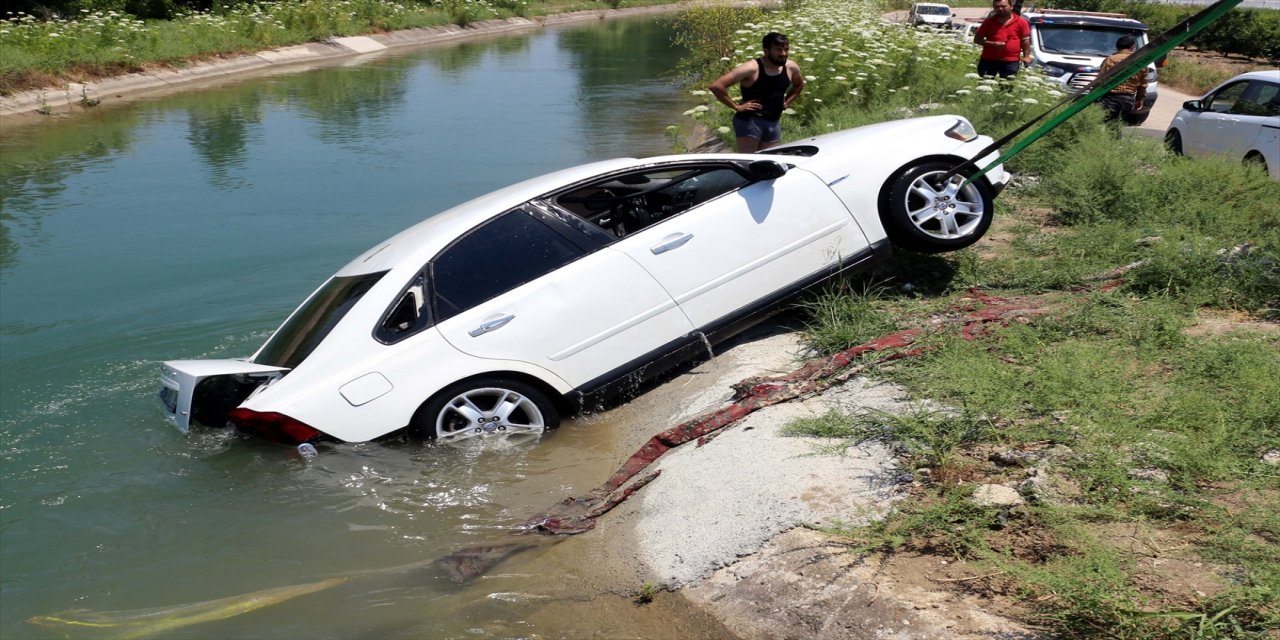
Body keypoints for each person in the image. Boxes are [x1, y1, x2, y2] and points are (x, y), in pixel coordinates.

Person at [709, 32, 805, 153]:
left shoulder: (791, 67)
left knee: (768, 161)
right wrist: (736, 107)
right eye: (778, 50)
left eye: (786, 49)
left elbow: (799, 85)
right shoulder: (751, 68)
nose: (783, 54)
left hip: (774, 121)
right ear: (766, 50)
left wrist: (787, 102)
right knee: (749, 161)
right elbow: (716, 86)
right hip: (750, 121)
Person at [973, 0, 1031, 79]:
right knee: (985, 84)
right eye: (997, 7)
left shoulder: (1021, 22)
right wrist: (993, 44)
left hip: (1011, 61)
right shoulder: (988, 22)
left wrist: (1026, 56)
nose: (1000, 9)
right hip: (988, 60)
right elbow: (977, 39)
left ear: (1011, 6)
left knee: (1006, 87)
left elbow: (1025, 41)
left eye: (1003, 6)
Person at [1097, 35, 1148, 125]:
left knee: (1103, 123)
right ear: (1133, 47)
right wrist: (1139, 100)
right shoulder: (1141, 62)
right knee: (1117, 124)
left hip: (1110, 98)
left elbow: (1100, 80)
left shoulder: (1110, 60)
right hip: (1128, 100)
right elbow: (1142, 85)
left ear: (1117, 47)